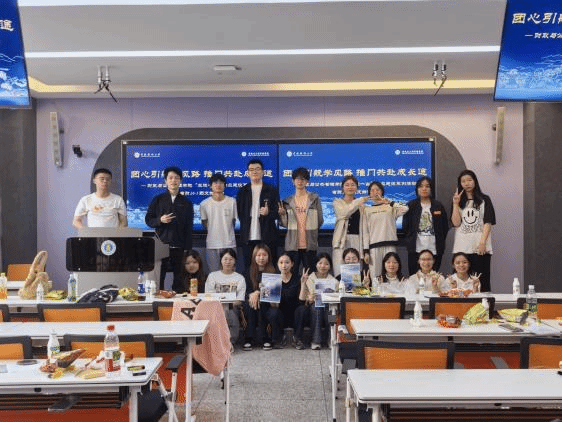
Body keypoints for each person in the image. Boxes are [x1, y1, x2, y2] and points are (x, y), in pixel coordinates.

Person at [145, 166, 194, 291]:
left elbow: (189, 228)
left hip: (179, 247)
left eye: (176, 178)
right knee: (159, 278)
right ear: (165, 181)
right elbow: (148, 220)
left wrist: (187, 250)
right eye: (170, 178)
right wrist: (160, 220)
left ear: (180, 181)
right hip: (161, 245)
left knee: (179, 279)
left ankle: (178, 300)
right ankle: (159, 300)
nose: (173, 181)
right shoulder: (158, 199)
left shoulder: (187, 202)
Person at [451, 169, 495, 292]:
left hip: (480, 248)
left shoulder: (484, 199)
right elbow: (456, 223)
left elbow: (488, 222)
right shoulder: (458, 200)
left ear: (475, 181)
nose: (467, 183)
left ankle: (484, 304)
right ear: (460, 184)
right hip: (462, 248)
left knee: (482, 281)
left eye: (469, 180)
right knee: (460, 284)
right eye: (463, 181)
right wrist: (455, 204)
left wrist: (482, 243)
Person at [278, 167, 324, 273]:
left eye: (303, 179)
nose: (300, 181)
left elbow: (320, 220)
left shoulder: (314, 199)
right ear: (293, 181)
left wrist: (312, 232)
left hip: (310, 244)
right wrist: (283, 214)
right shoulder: (287, 201)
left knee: (310, 274)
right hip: (292, 245)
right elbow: (285, 224)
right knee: (291, 274)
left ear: (307, 181)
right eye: (297, 178)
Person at [236, 159, 280, 271]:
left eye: (257, 169)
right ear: (248, 173)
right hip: (248, 238)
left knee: (269, 268)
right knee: (249, 268)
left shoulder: (271, 190)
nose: (254, 172)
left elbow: (278, 213)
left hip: (268, 237)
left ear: (263, 172)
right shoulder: (243, 191)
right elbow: (240, 213)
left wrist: (268, 213)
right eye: (251, 170)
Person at [403, 176, 449, 275]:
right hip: (415, 249)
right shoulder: (411, 205)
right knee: (415, 277)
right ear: (417, 189)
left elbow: (445, 227)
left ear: (431, 189)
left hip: (434, 249)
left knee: (433, 277)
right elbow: (405, 226)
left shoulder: (438, 205)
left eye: (427, 186)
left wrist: (440, 240)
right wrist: (410, 239)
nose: (424, 189)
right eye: (421, 186)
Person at [361, 181, 408, 277]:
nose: (375, 192)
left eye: (377, 189)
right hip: (374, 247)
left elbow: (405, 209)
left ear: (382, 192)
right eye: (372, 190)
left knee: (391, 274)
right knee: (375, 276)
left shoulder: (390, 207)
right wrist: (366, 251)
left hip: (390, 244)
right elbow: (365, 232)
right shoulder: (367, 210)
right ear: (369, 194)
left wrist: (389, 201)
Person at [295, 252, 337, 350]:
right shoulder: (309, 278)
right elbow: (302, 299)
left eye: (326, 264)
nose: (323, 266)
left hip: (329, 306)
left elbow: (338, 296)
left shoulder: (334, 281)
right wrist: (308, 297)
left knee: (332, 312)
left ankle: (331, 339)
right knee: (316, 308)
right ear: (316, 264)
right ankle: (316, 340)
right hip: (313, 308)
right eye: (320, 263)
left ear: (330, 266)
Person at [258, 253, 300, 350]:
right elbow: (274, 305)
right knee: (273, 311)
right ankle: (274, 340)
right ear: (277, 264)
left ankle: (297, 338)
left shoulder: (297, 278)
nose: (284, 265)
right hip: (279, 313)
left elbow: (297, 298)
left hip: (293, 313)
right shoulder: (272, 280)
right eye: (281, 262)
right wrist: (264, 290)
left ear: (292, 264)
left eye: (287, 262)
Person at [205, 248, 246, 344]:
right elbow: (208, 295)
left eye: (231, 259)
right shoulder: (212, 276)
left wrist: (226, 306)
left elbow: (240, 299)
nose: (228, 262)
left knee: (228, 311)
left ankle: (229, 341)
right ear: (221, 260)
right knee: (222, 311)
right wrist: (221, 306)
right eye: (225, 259)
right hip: (215, 307)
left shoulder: (239, 278)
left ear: (235, 261)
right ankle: (220, 341)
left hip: (233, 307)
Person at [332, 175, 369, 277]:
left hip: (357, 240)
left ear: (357, 188)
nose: (350, 187)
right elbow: (345, 212)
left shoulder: (362, 206)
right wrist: (359, 201)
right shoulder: (337, 202)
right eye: (347, 185)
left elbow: (365, 229)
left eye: (353, 185)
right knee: (340, 272)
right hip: (341, 240)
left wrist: (366, 249)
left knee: (355, 274)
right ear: (342, 188)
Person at [200, 173, 238, 272]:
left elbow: (234, 221)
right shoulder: (204, 204)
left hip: (229, 244)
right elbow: (204, 222)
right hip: (212, 244)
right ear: (211, 186)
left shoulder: (232, 202)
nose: (218, 185)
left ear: (224, 185)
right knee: (214, 273)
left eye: (221, 183)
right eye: (215, 183)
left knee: (230, 273)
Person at [242, 243, 276, 351]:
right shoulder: (247, 271)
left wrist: (258, 293)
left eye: (264, 255)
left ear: (268, 256)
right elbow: (245, 290)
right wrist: (252, 294)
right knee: (251, 304)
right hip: (250, 300)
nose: (261, 258)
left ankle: (265, 338)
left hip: (267, 301)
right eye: (258, 255)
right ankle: (248, 338)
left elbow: (272, 292)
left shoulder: (273, 271)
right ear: (254, 256)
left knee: (261, 303)